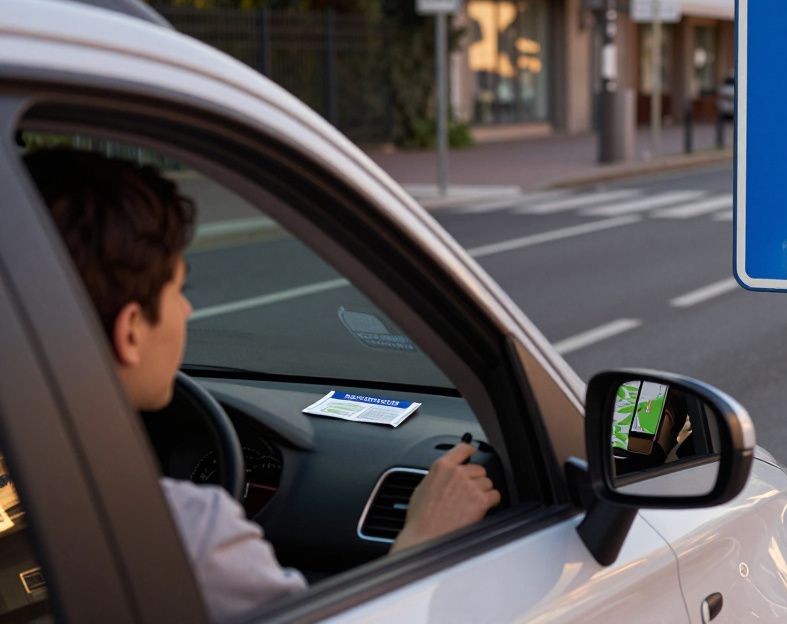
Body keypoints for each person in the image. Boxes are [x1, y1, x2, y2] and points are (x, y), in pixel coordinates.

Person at [23, 148, 500, 622]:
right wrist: (421, 541)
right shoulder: (183, 534)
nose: (187, 312)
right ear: (129, 331)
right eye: (178, 292)